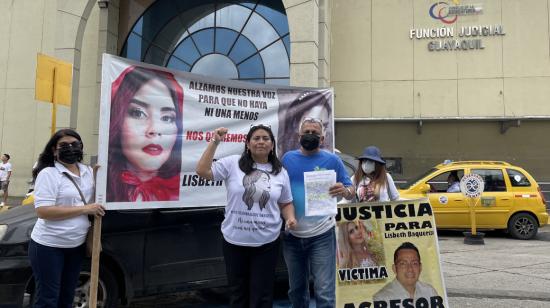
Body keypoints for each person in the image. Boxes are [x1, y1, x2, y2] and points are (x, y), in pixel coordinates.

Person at [196, 124, 297, 308]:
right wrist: (215, 142)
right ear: (248, 144)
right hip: (234, 242)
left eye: (265, 138)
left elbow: (286, 202)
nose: (261, 142)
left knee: (262, 296)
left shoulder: (280, 172)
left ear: (272, 145)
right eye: (256, 138)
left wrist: (290, 218)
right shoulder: (232, 163)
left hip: (267, 243)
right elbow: (202, 171)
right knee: (238, 295)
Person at [281, 117, 354, 308]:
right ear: (299, 136)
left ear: (322, 139)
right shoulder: (287, 159)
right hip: (292, 235)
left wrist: (345, 191)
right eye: (307, 132)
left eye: (315, 133)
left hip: (322, 235)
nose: (310, 136)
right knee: (296, 291)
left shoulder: (333, 160)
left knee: (325, 291)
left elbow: (350, 189)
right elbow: (280, 191)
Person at [28, 129, 106, 307]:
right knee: (48, 297)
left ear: (81, 147)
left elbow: (93, 201)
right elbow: (43, 211)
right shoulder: (48, 174)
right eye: (64, 145)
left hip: (75, 246)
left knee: (67, 295)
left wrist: (98, 177)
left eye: (75, 144)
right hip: (48, 247)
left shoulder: (87, 172)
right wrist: (85, 209)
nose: (70, 148)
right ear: (54, 150)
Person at [107, 66, 184, 202]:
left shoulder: (184, 192)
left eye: (167, 118)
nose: (154, 129)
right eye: (138, 113)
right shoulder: (98, 183)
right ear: (117, 119)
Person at [373, 242, 439, 302]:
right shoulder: (381, 298)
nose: (410, 269)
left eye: (414, 263)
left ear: (420, 267)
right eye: (403, 264)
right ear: (394, 269)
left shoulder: (430, 292)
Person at [277, 90, 333, 157]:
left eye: (325, 125)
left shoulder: (333, 160)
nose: (319, 130)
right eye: (311, 121)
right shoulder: (287, 159)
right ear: (295, 125)